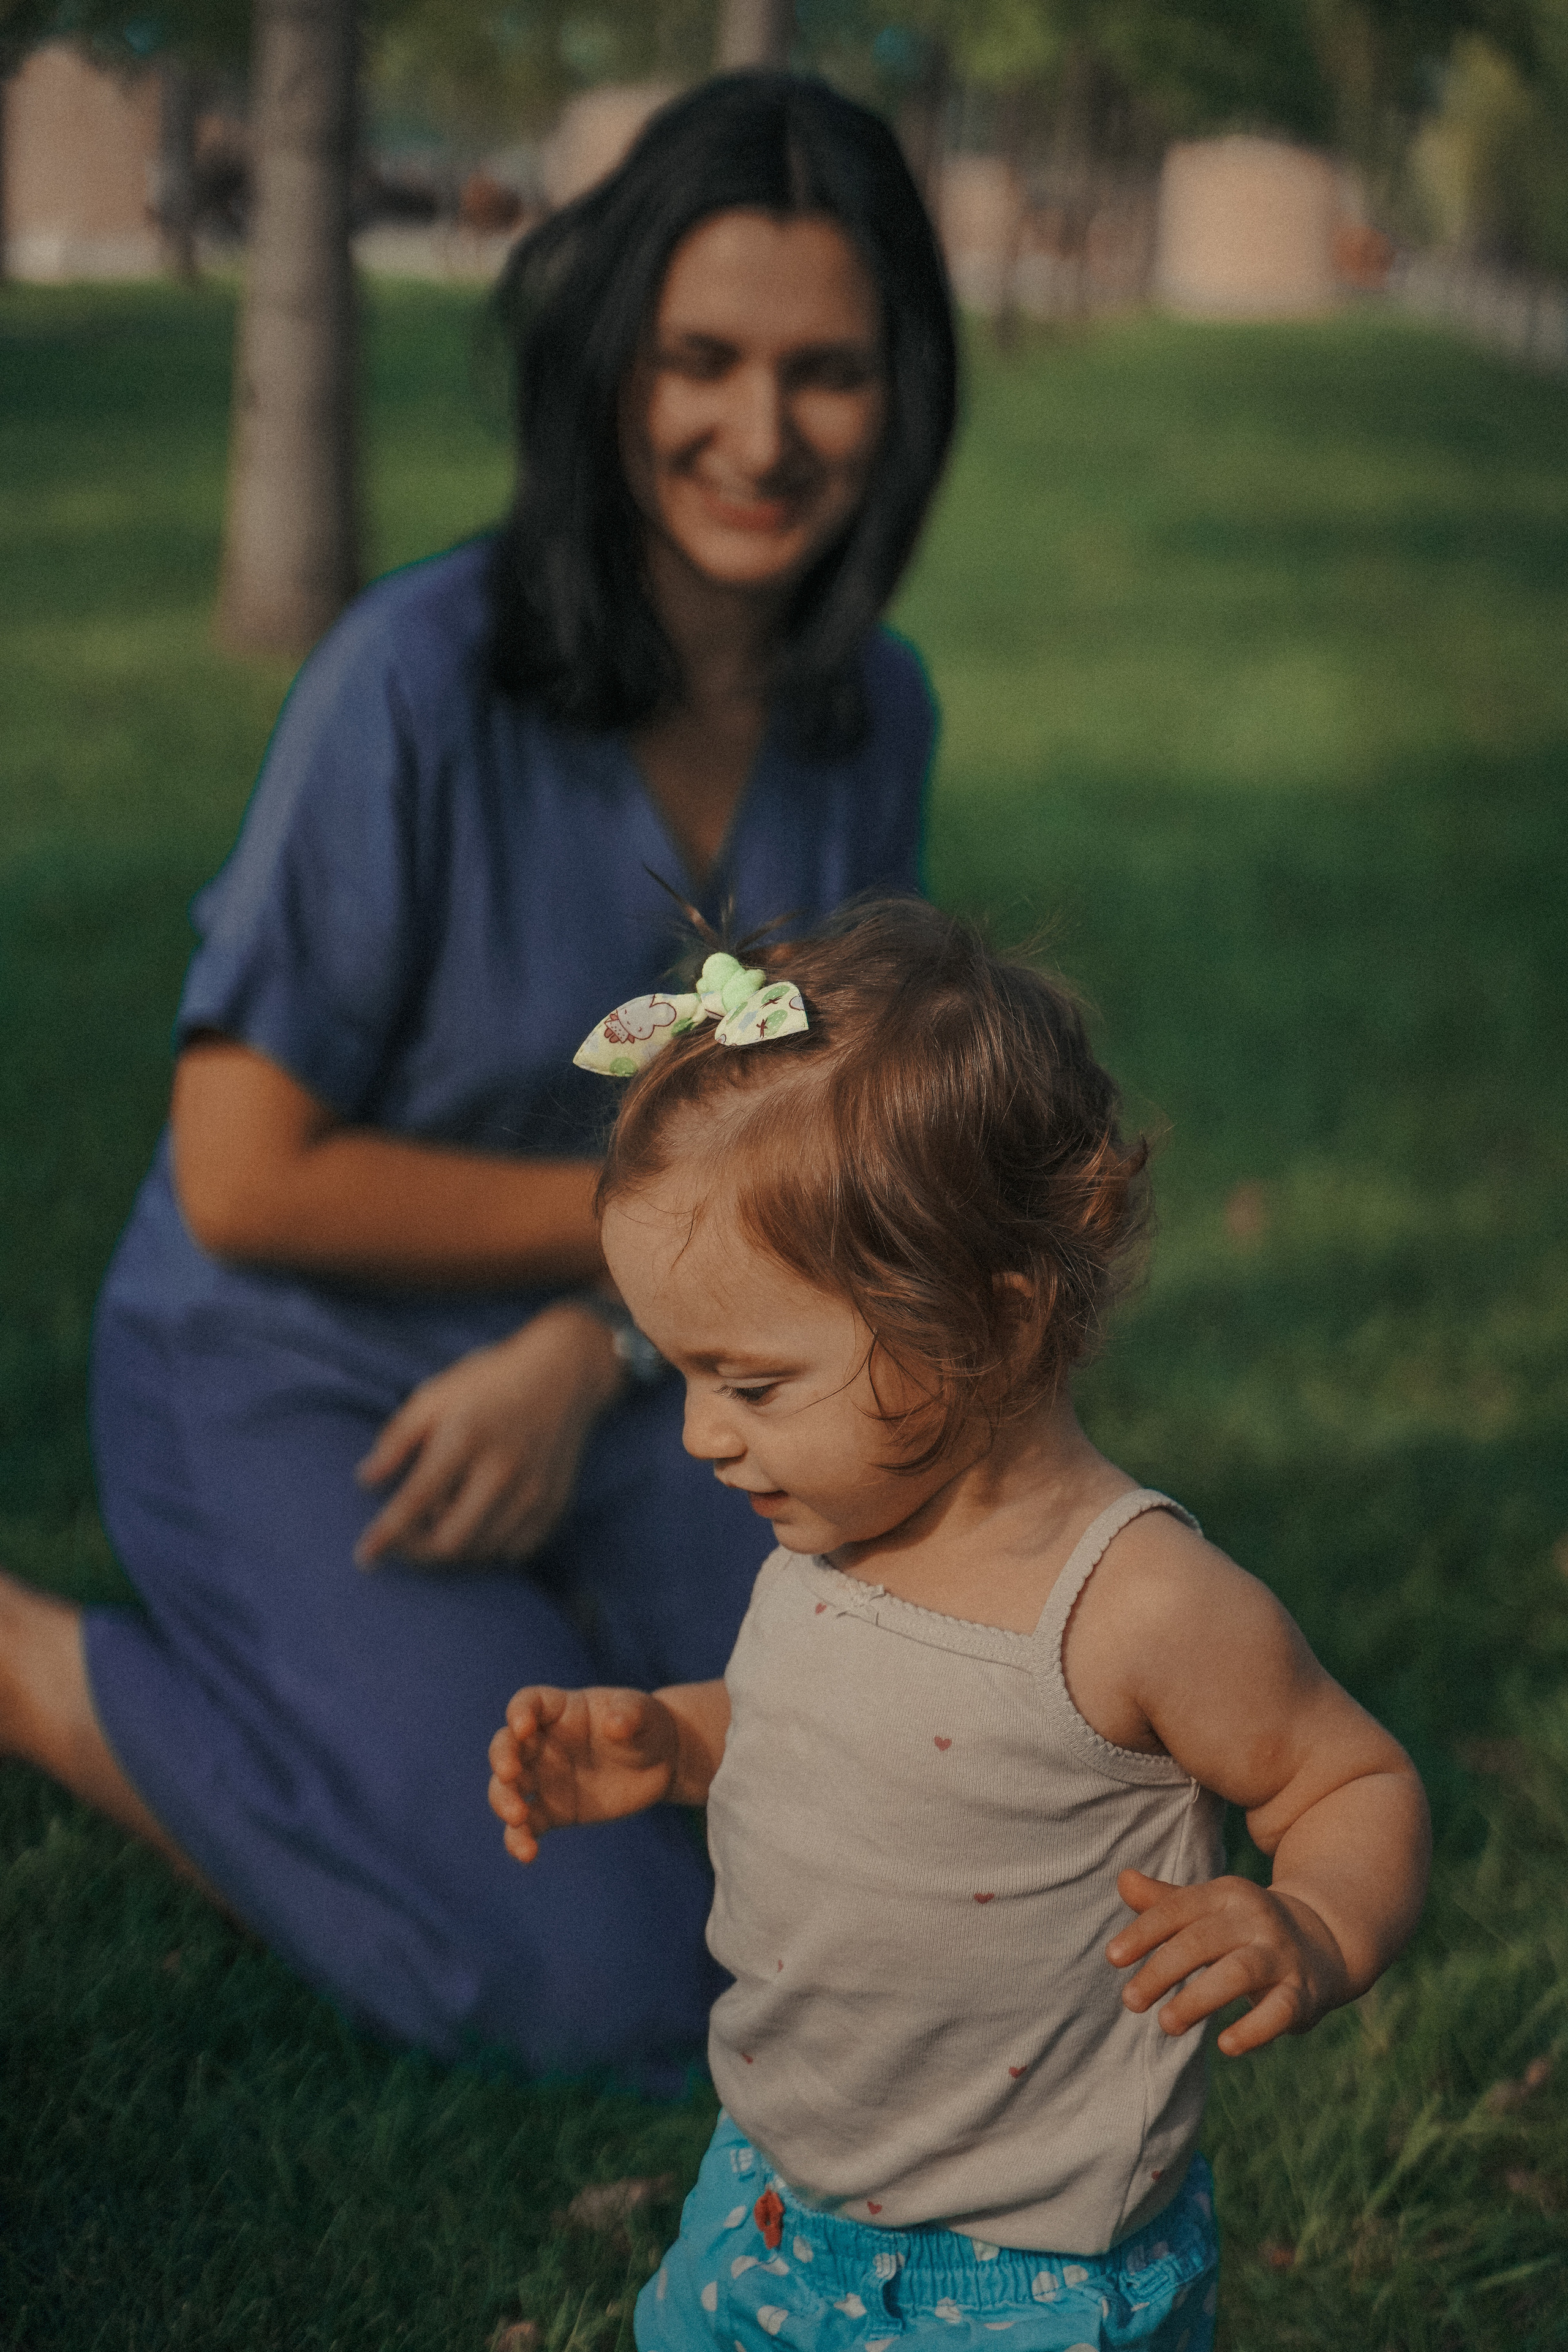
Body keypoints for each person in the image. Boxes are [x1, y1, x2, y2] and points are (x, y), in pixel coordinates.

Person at [0, 76, 957, 2089]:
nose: (760, 436)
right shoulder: (412, 681)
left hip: (634, 1367)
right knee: (611, 1985)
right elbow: (245, 1173)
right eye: (701, 359)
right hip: (294, 1364)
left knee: (893, 1862)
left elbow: (813, 1136)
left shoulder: (877, 717)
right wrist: (639, 1264)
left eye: (826, 373)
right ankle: (40, 1668)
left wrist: (588, 1337)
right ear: (614, 362)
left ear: (905, 392)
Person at [488, 899, 1432, 2348]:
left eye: (748, 1385)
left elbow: (1347, 1781)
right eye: (680, 1376)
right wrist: (675, 1742)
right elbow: (833, 1729)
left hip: (1021, 2280)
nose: (697, 1438)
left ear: (987, 1325)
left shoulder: (1134, 1604)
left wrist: (1305, 1923)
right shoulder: (826, 1530)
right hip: (769, 2195)